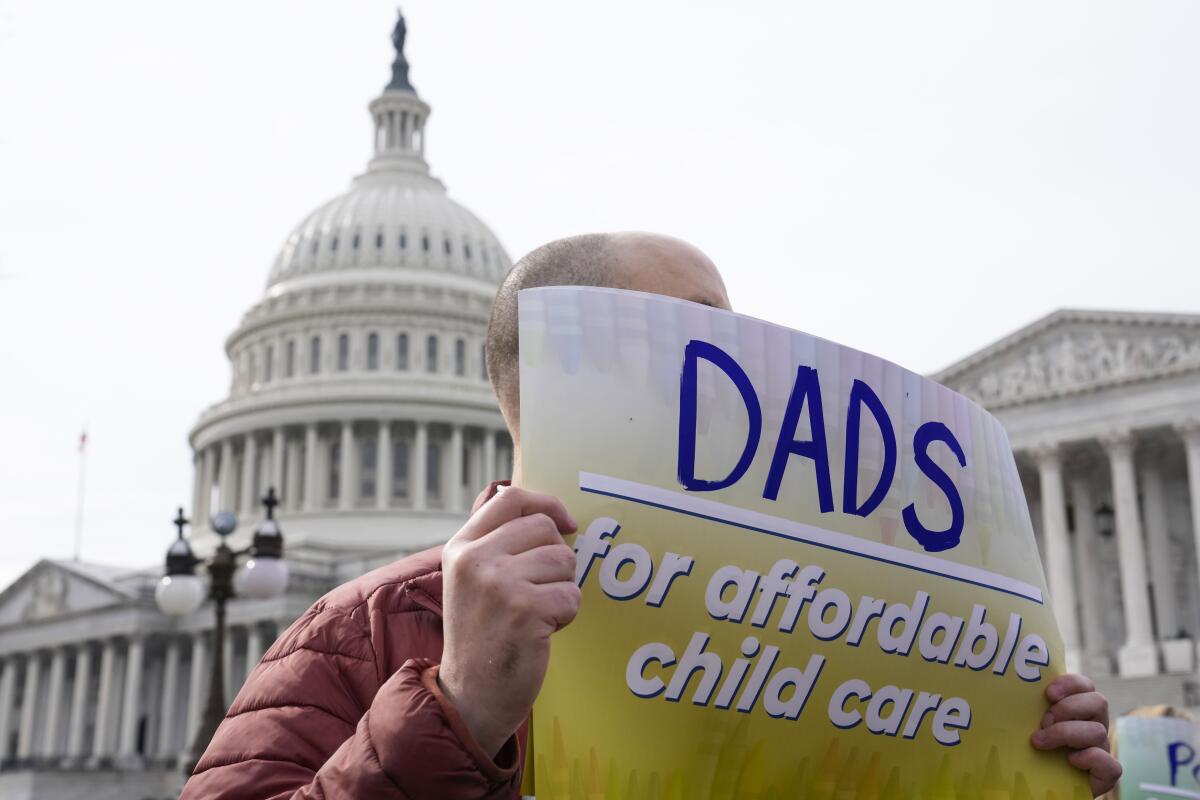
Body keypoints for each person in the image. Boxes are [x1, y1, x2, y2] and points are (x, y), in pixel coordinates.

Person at [180, 232, 1120, 798]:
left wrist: (1025, 766)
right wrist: (456, 713)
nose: (745, 362)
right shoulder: (368, 631)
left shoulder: (825, 628)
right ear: (563, 377)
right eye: (700, 334)